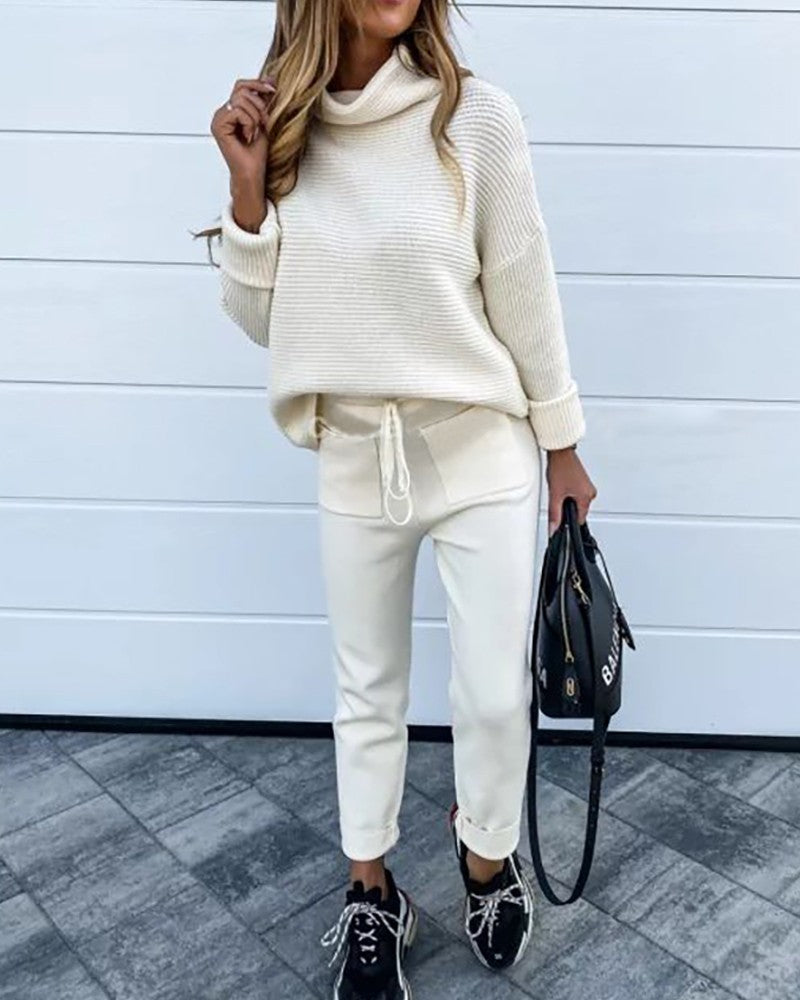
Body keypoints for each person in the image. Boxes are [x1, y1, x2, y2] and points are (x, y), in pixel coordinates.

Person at [197, 1, 597, 997]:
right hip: (352, 453)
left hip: (478, 448)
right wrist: (246, 189)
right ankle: (371, 891)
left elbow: (523, 283)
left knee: (492, 692)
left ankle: (486, 860)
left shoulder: (475, 119)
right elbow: (262, 322)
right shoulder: (282, 129)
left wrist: (563, 444)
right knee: (366, 691)